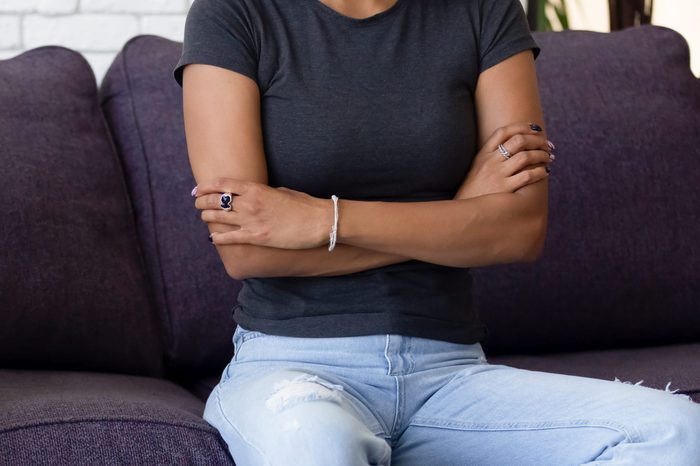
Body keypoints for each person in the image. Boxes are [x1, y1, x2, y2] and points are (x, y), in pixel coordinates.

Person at [173, 0, 700, 464]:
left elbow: (519, 230)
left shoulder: (483, 10)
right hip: (291, 368)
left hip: (450, 374)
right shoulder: (234, 13)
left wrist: (322, 221)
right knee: (314, 445)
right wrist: (459, 214)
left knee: (674, 432)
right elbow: (247, 249)